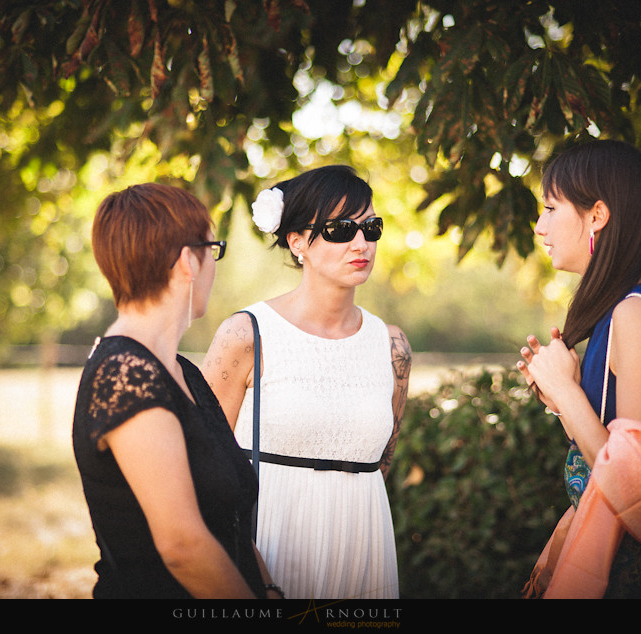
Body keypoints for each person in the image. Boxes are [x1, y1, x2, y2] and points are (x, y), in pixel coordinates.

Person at [201, 165, 411, 599]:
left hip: (364, 544)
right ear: (297, 242)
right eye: (340, 229)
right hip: (271, 545)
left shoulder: (391, 345)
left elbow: (384, 457)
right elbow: (207, 466)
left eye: (371, 228)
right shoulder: (246, 334)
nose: (361, 243)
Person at [72, 183, 281, 599]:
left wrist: (270, 590)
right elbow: (183, 546)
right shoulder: (124, 376)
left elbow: (228, 517)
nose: (214, 265)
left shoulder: (184, 372)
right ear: (189, 260)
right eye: (213, 248)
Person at [518, 140, 641, 599]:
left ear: (597, 216)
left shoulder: (637, 314)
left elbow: (640, 491)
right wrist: (561, 398)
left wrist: (567, 393)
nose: (540, 226)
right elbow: (605, 452)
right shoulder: (619, 312)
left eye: (549, 208)